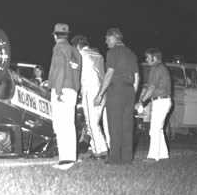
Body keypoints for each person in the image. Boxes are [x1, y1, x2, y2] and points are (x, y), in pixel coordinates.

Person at [94, 28, 139, 164]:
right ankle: (126, 158)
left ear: (114, 37)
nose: (106, 41)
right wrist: (133, 94)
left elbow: (109, 73)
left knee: (114, 125)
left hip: (116, 90)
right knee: (127, 126)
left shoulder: (112, 52)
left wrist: (100, 94)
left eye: (107, 38)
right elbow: (137, 77)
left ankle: (114, 158)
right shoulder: (131, 53)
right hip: (129, 91)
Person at [48, 23, 82, 170]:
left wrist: (59, 90)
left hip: (61, 88)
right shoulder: (75, 51)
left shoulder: (58, 48)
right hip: (73, 89)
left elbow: (60, 68)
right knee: (68, 123)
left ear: (55, 36)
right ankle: (69, 157)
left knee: (61, 124)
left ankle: (66, 160)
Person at [71, 35, 109, 159]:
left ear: (77, 46)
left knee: (91, 123)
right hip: (102, 91)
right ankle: (95, 148)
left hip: (90, 90)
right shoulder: (98, 54)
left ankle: (101, 150)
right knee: (95, 122)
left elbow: (77, 75)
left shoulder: (81, 55)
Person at [136, 48, 172, 162]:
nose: (146, 59)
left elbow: (151, 88)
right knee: (159, 129)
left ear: (154, 58)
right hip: (163, 101)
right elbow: (150, 87)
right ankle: (163, 154)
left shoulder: (156, 69)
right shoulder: (161, 68)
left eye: (147, 57)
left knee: (154, 129)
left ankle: (153, 156)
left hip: (160, 101)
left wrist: (141, 101)